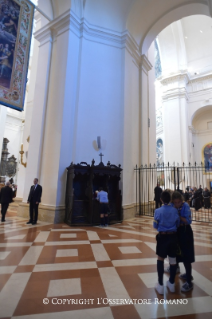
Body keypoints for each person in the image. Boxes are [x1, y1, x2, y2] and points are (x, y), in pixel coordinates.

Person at [153, 191, 180, 295]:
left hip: (163, 237)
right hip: (173, 237)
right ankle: (172, 283)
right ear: (170, 200)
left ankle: (160, 285)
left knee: (160, 258)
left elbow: (155, 225)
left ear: (161, 199)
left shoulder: (158, 211)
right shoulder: (174, 210)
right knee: (173, 260)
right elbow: (177, 223)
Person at [172, 191, 195, 292]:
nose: (177, 204)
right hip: (177, 231)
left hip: (186, 231)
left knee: (187, 255)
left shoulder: (185, 206)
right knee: (177, 253)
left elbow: (188, 221)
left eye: (178, 202)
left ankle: (189, 281)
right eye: (175, 203)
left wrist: (178, 215)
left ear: (181, 201)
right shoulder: (172, 206)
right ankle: (183, 272)